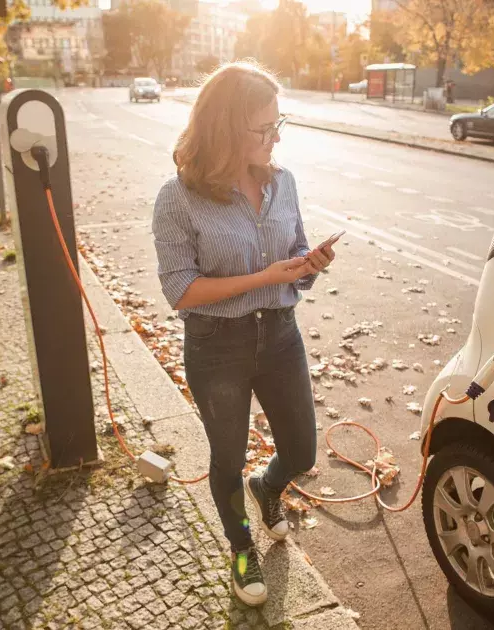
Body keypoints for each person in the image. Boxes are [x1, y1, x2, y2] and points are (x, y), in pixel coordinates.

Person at [152, 61, 336, 607]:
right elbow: (181, 291)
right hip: (217, 345)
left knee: (302, 450)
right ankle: (239, 546)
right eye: (264, 128)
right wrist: (264, 277)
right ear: (226, 128)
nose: (276, 137)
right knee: (227, 458)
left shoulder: (284, 182)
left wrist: (308, 264)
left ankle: (269, 487)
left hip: (280, 334)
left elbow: (294, 246)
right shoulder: (178, 197)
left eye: (280, 125)